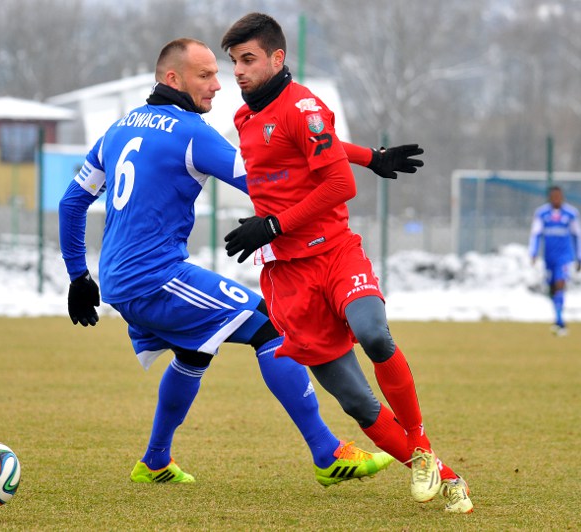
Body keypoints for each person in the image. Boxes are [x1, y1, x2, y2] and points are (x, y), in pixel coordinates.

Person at [58, 38, 421, 487]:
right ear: (172, 79)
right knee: (271, 326)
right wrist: (365, 161)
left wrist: (78, 276)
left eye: (218, 73)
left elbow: (72, 202)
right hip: (155, 278)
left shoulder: (118, 128)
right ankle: (327, 453)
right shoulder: (190, 133)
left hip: (119, 278)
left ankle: (154, 461)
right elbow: (274, 168)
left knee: (193, 352)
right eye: (205, 75)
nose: (218, 85)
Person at [220, 13, 473, 513]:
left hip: (334, 252)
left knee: (374, 334)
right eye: (234, 62)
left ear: (277, 58)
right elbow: (311, 146)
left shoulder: (305, 106)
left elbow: (340, 185)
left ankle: (421, 447)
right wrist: (371, 155)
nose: (239, 71)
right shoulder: (246, 118)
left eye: (248, 59)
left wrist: (272, 225)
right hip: (288, 276)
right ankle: (447, 478)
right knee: (356, 401)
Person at [528, 185, 581, 336]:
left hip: (564, 257)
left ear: (562, 197)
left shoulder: (571, 214)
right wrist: (533, 253)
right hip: (549, 257)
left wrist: (580, 256)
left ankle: (560, 321)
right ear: (549, 198)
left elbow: (578, 235)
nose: (556, 199)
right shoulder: (542, 213)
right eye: (553, 196)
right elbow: (535, 234)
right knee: (552, 287)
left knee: (560, 283)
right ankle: (558, 318)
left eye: (558, 196)